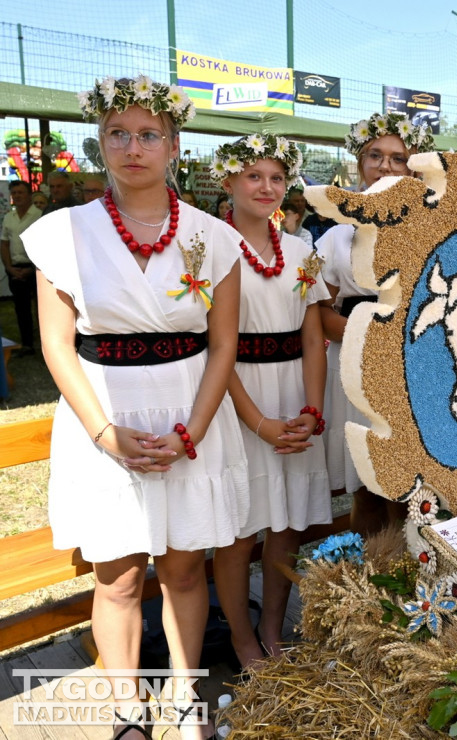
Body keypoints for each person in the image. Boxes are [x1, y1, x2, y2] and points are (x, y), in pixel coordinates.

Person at [27, 75, 248, 740]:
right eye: (118, 133)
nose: (133, 147)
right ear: (100, 142)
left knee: (184, 568)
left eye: (149, 134)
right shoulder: (60, 233)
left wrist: (193, 430)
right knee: (118, 576)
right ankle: (127, 711)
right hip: (105, 418)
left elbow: (224, 345)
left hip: (189, 413)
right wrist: (105, 434)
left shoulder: (215, 237)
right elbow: (56, 345)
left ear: (174, 145)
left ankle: (185, 697)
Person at [208, 133, 331, 669]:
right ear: (229, 181)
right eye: (253, 175)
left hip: (290, 398)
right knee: (239, 530)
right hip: (237, 400)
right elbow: (216, 349)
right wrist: (257, 421)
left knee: (287, 527)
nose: (266, 186)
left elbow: (311, 338)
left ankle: (272, 630)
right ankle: (240, 639)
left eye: (276, 177)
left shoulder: (302, 252)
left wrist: (311, 410)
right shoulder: (208, 248)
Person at [315, 111, 434, 536]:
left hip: (417, 368)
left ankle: (418, 582)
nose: (386, 166)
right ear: (359, 164)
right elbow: (320, 313)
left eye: (398, 158)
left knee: (414, 483)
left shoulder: (432, 228)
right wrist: (372, 333)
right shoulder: (334, 237)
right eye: (375, 156)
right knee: (367, 484)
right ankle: (369, 588)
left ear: (414, 164)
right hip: (357, 369)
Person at [2, 180, 44, 355]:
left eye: (20, 192)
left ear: (29, 195)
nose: (17, 196)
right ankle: (27, 344)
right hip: (15, 269)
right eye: (14, 193)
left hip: (37, 268)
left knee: (41, 308)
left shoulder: (40, 215)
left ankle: (47, 345)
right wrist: (9, 268)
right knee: (21, 308)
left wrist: (33, 268)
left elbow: (45, 244)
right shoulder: (8, 217)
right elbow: (4, 243)